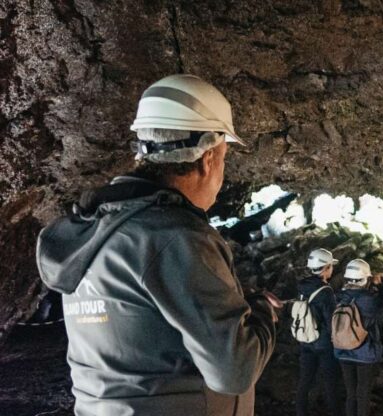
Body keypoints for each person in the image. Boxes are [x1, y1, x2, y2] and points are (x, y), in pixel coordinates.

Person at [37, 74, 279, 416]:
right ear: (208, 158)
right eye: (224, 157)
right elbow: (234, 370)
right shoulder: (176, 238)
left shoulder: (93, 234)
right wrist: (264, 316)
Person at [334, 259, 383, 416]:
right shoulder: (370, 300)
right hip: (365, 353)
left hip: (342, 351)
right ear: (366, 278)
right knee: (363, 394)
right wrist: (380, 286)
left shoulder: (338, 297)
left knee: (351, 393)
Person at [295, 248, 343, 416]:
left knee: (305, 380)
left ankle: (301, 412)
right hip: (323, 344)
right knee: (331, 382)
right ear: (326, 268)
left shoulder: (302, 286)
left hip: (305, 339)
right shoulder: (326, 292)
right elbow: (331, 321)